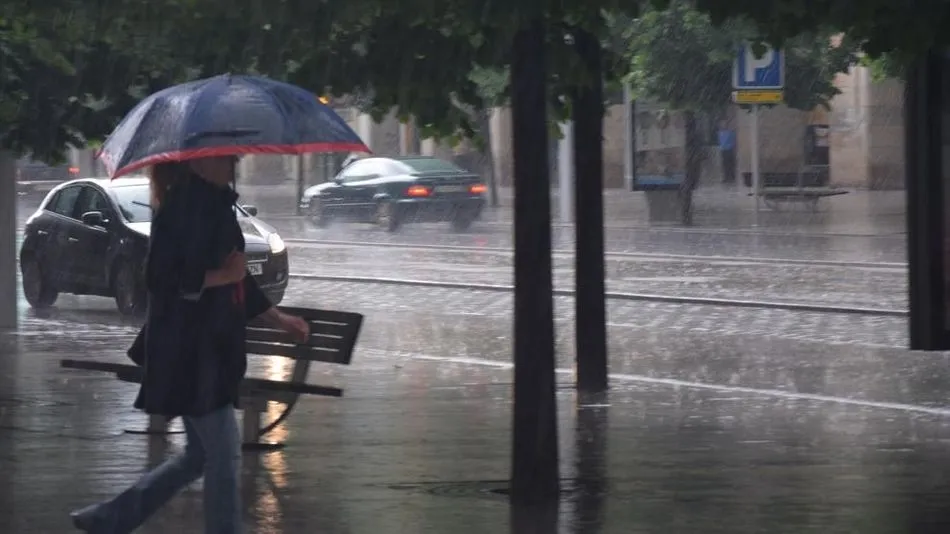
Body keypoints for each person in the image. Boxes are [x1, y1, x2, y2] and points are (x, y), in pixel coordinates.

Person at [70, 157, 309, 534]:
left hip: (209, 351)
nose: (236, 160)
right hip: (191, 353)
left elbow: (238, 281)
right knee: (224, 454)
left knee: (199, 456)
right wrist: (220, 276)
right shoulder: (182, 208)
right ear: (202, 162)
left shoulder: (216, 206)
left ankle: (111, 518)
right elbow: (160, 278)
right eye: (227, 155)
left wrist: (278, 319)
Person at [717, 119, 737, 184]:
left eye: (724, 124)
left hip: (729, 150)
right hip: (724, 150)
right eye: (722, 124)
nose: (723, 125)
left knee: (730, 164)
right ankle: (726, 177)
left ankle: (731, 177)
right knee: (725, 165)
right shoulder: (720, 133)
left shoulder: (730, 133)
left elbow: (734, 141)